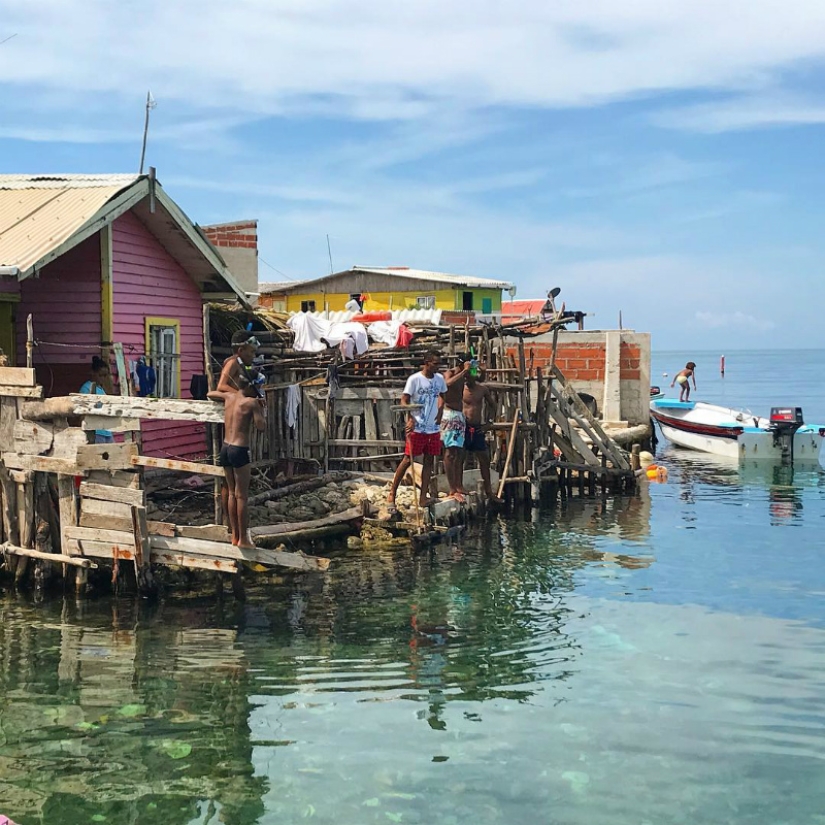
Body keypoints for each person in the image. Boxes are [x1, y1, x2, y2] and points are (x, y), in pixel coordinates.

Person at [208, 370, 266, 548]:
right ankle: (244, 540)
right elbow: (261, 426)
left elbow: (210, 393)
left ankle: (234, 536)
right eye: (258, 386)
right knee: (242, 496)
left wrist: (229, 393)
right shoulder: (252, 402)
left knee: (232, 492)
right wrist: (261, 408)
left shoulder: (230, 398)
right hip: (239, 449)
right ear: (251, 386)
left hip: (225, 449)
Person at [387, 351, 447, 510]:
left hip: (433, 428)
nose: (438, 366)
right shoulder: (415, 379)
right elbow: (404, 400)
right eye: (435, 363)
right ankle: (392, 493)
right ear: (427, 363)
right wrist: (411, 417)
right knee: (408, 459)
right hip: (418, 427)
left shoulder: (439, 379)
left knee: (429, 461)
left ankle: (423, 497)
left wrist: (440, 410)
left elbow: (443, 394)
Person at [463, 368, 503, 504]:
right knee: (459, 458)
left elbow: (493, 405)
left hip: (478, 428)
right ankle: (458, 489)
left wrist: (489, 424)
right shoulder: (460, 389)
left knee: (484, 460)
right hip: (463, 428)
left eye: (469, 376)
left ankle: (489, 492)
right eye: (465, 377)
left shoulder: (482, 389)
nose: (467, 379)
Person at [440, 356, 471, 501]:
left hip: (459, 416)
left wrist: (471, 370)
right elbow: (446, 384)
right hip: (450, 415)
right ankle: (452, 489)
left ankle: (459, 485)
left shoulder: (465, 375)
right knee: (449, 453)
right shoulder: (450, 373)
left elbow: (480, 376)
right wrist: (464, 371)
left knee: (460, 452)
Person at [80, 356, 114, 444]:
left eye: (105, 376)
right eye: (100, 375)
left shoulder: (101, 389)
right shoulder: (87, 388)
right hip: (96, 431)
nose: (102, 378)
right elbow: (83, 410)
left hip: (106, 430)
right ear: (92, 373)